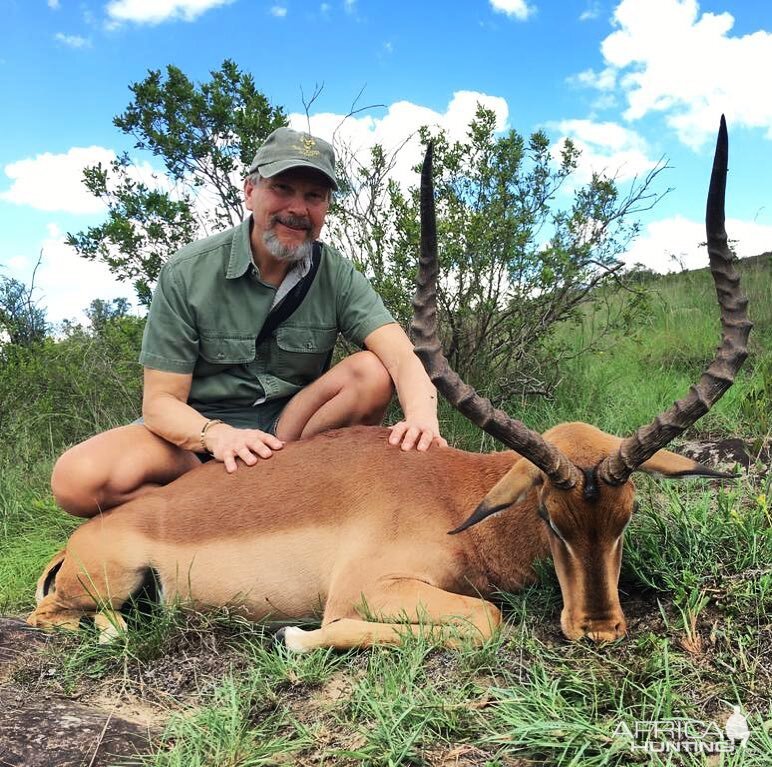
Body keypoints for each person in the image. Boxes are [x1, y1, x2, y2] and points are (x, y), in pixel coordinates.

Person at [51, 127, 447, 519]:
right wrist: (217, 436)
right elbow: (160, 403)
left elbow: (400, 355)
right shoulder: (188, 272)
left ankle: (287, 496)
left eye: (314, 196)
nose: (298, 208)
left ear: (326, 207)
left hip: (288, 437)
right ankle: (223, 503)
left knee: (372, 372)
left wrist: (423, 420)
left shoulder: (336, 274)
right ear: (250, 191)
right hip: (196, 439)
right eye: (282, 188)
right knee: (77, 481)